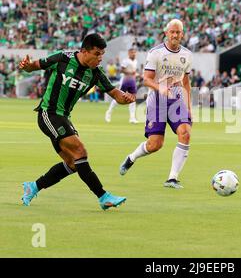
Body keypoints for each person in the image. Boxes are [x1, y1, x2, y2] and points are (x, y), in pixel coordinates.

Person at [18, 33, 136, 209]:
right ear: (84, 51)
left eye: (102, 54)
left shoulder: (95, 73)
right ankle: (103, 197)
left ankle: (33, 186)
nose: (100, 58)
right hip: (48, 114)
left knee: (73, 164)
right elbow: (35, 66)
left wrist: (124, 98)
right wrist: (27, 66)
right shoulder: (63, 58)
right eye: (96, 54)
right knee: (80, 150)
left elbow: (113, 92)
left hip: (64, 117)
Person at [119, 19, 192, 189]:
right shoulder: (155, 53)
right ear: (166, 33)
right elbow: (146, 80)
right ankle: (132, 158)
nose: (175, 35)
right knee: (155, 144)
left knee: (185, 133)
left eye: (178, 32)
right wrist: (161, 88)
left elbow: (186, 82)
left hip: (177, 101)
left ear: (182, 34)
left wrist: (189, 106)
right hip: (157, 102)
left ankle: (172, 178)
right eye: (172, 32)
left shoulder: (187, 55)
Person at [105, 48, 139, 123]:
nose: (134, 54)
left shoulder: (135, 61)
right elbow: (122, 70)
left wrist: (136, 74)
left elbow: (133, 71)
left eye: (134, 52)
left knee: (133, 99)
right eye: (132, 52)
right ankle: (109, 112)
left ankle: (132, 118)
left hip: (132, 81)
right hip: (125, 81)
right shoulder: (126, 61)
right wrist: (129, 72)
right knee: (118, 97)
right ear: (129, 53)